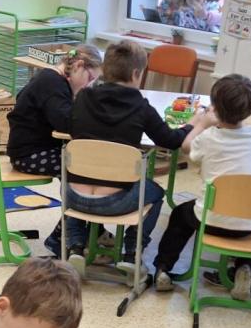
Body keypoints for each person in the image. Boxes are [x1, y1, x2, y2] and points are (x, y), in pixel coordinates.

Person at [66, 41, 197, 262]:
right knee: (156, 193)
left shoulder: (83, 97)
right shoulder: (140, 107)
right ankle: (132, 252)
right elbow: (171, 141)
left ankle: (76, 247)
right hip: (116, 201)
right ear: (136, 74)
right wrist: (193, 125)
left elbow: (72, 130)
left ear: (105, 69)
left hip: (72, 196)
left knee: (82, 174)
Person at [153, 73, 251, 297]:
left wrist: (202, 122)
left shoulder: (209, 137)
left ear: (216, 108)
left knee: (180, 215)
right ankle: (244, 269)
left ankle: (163, 268)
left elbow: (186, 147)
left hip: (209, 221)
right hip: (248, 225)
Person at [2, 44, 102, 259]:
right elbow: (66, 123)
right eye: (90, 78)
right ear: (79, 66)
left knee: (86, 168)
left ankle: (90, 231)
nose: (89, 85)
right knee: (83, 171)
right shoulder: (52, 84)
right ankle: (64, 236)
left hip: (34, 148)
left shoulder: (52, 80)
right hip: (29, 154)